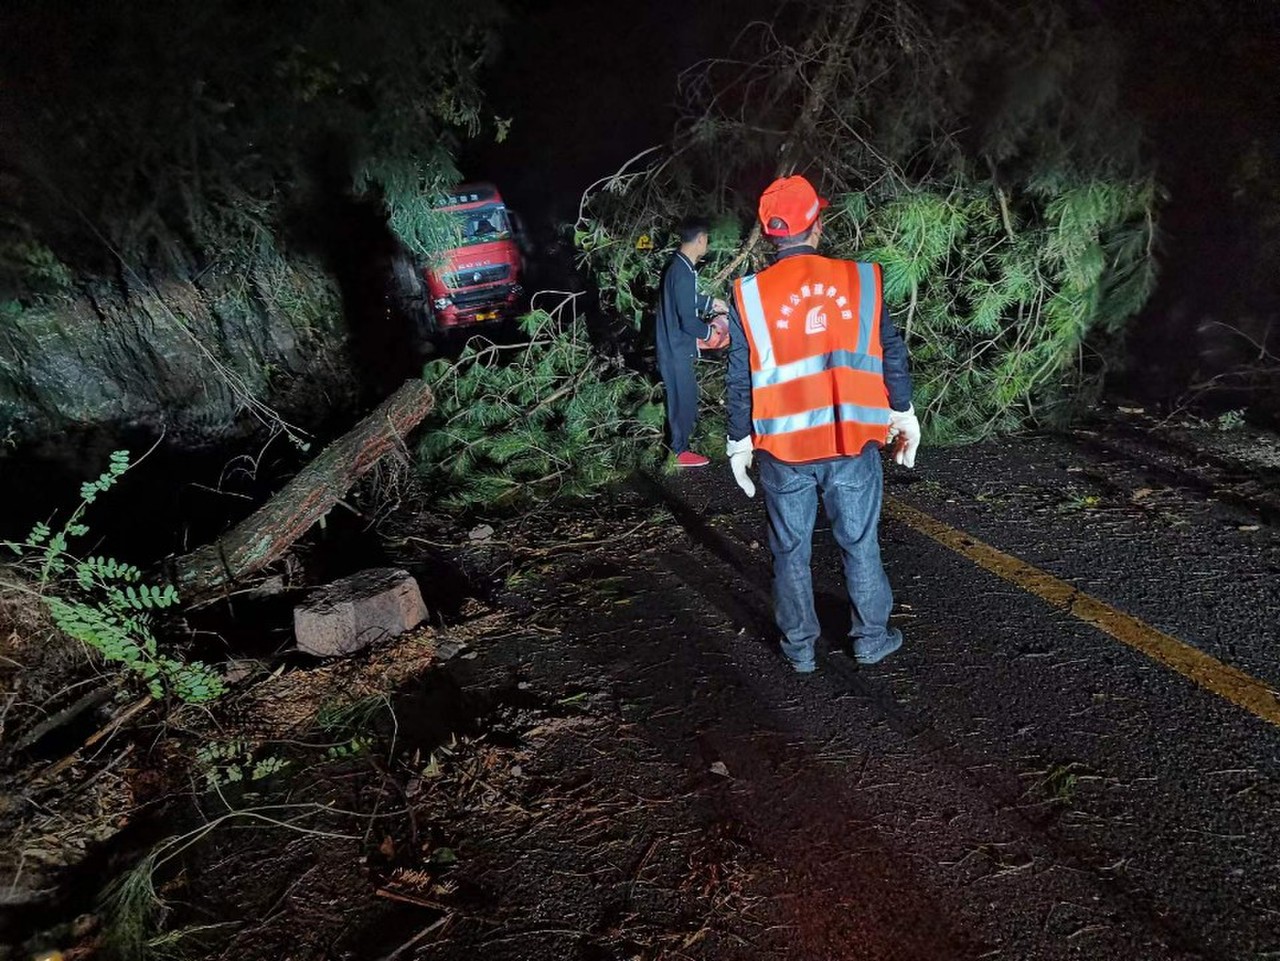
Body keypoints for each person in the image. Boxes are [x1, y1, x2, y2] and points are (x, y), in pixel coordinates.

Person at [723, 175, 921, 673]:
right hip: (850, 440)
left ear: (771, 234)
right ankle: (871, 639)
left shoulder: (749, 295)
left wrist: (737, 440)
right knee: (859, 543)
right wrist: (903, 413)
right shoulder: (862, 280)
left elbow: (739, 377)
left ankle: (799, 651)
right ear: (817, 224)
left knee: (790, 552)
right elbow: (890, 352)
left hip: (782, 449)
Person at [655, 216, 728, 468]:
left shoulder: (678, 266)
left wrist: (709, 303)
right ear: (700, 239)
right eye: (706, 239)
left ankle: (680, 447)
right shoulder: (683, 271)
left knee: (685, 396)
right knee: (682, 399)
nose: (706, 243)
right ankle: (679, 451)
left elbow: (683, 299)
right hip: (675, 348)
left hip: (673, 345)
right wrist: (711, 335)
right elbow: (688, 320)